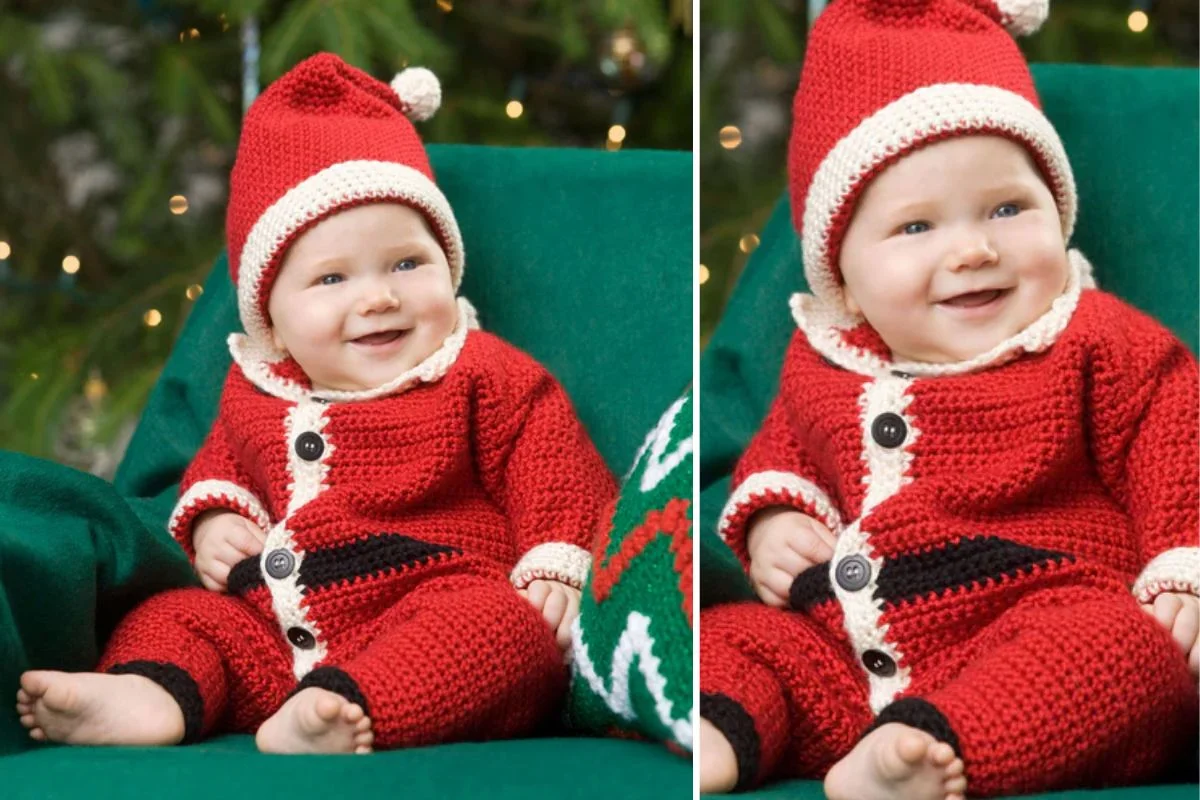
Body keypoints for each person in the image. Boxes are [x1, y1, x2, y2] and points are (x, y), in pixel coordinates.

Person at [17, 53, 615, 755]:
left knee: (507, 633)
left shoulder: (483, 373)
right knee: (179, 614)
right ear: (269, 316)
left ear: (447, 265)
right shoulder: (259, 389)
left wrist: (554, 565)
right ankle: (150, 693)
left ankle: (350, 710)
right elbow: (223, 466)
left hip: (431, 602)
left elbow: (556, 471)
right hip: (271, 630)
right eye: (331, 277)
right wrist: (216, 518)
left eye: (407, 263)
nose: (378, 297)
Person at [698, 2, 1199, 798]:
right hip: (843, 650)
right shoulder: (825, 358)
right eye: (916, 226)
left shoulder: (1097, 341)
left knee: (1128, 655)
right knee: (736, 637)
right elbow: (782, 451)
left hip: (1037, 616)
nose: (972, 249)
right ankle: (717, 731)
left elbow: (1178, 445)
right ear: (843, 274)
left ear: (1056, 210)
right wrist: (775, 517)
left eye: (1008, 208)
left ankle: (934, 752)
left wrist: (1183, 570)